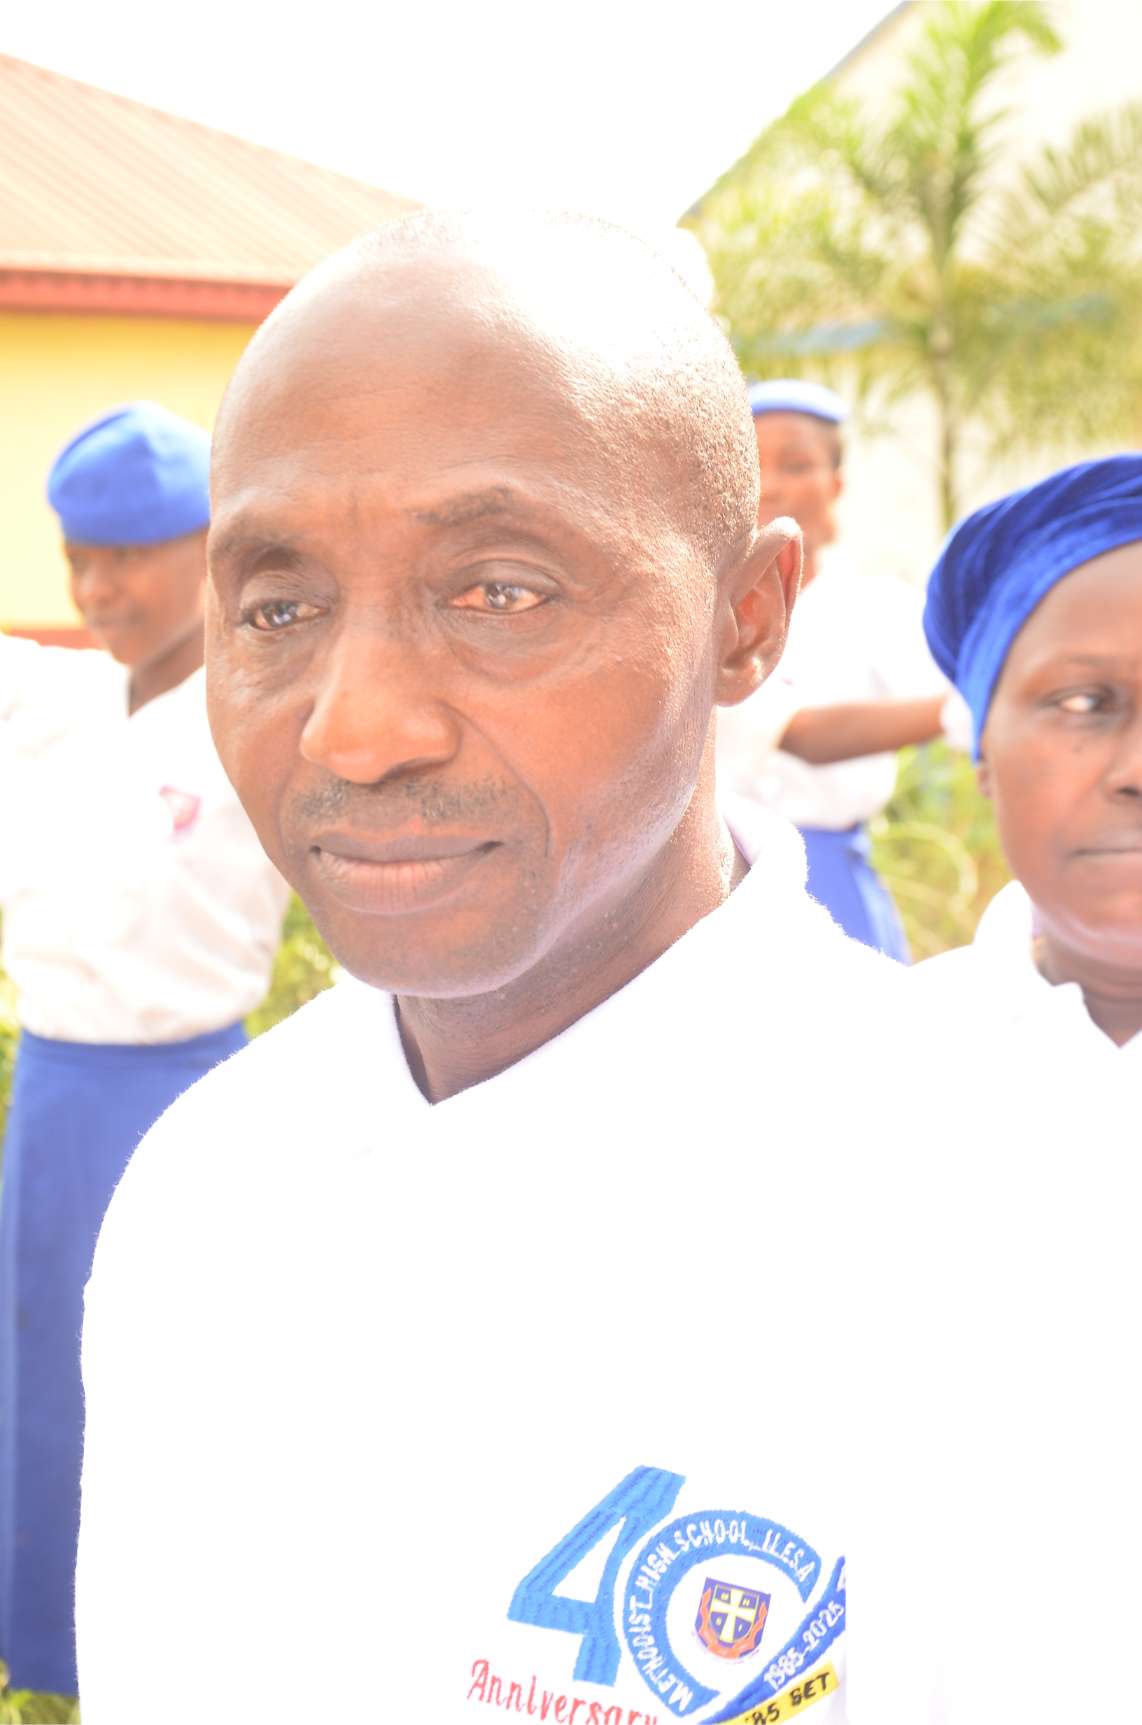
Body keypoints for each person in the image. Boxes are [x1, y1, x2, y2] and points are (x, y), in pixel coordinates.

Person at [75, 214, 937, 1725]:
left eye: (499, 592)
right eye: (279, 608)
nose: (355, 730)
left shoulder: (998, 1212)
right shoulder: (204, 1184)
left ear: (745, 619)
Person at [0, 403, 290, 1697]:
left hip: (183, 1086)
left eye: (129, 557)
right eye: (80, 557)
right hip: (56, 1088)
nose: (98, 588)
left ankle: (172, 1657)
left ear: (208, 551)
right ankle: (46, 1645)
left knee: (171, 1379)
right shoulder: (54, 701)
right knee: (42, 1371)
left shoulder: (262, 715)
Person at [716, 380, 955, 960]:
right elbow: (806, 737)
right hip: (723, 880)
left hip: (833, 882)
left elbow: (947, 689)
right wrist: (969, 709)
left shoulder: (879, 607)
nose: (773, 484)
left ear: (836, 484)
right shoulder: (706, 614)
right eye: (754, 463)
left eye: (797, 466)